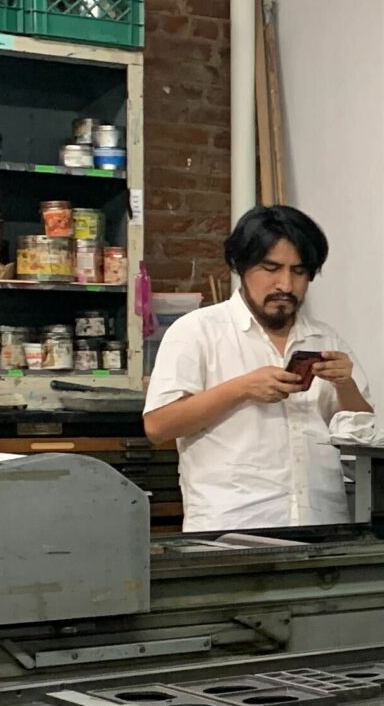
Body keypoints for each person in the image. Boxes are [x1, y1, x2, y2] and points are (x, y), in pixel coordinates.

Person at [143, 204, 372, 532]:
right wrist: (241, 389)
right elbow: (157, 425)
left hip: (321, 524)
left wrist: (345, 385)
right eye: (271, 268)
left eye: (298, 271)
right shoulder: (196, 330)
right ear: (241, 267)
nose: (285, 285)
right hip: (231, 529)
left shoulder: (325, 338)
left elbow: (362, 431)